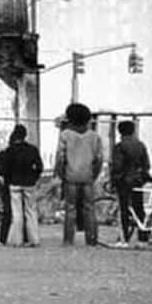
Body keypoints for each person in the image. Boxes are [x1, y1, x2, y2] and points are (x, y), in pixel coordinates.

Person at [54, 101, 103, 247]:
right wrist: (94, 175)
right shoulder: (94, 137)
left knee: (70, 208)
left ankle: (68, 240)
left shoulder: (66, 135)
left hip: (70, 176)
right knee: (89, 208)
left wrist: (62, 174)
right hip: (88, 176)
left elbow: (60, 158)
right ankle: (91, 239)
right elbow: (99, 159)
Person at [0, 124, 43, 247]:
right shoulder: (33, 150)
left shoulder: (9, 151)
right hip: (29, 183)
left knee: (17, 212)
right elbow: (39, 167)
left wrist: (9, 179)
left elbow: (5, 169)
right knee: (31, 211)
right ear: (25, 135)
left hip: (14, 183)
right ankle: (34, 239)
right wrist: (34, 177)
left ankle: (18, 241)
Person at [110, 120, 151, 247]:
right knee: (139, 210)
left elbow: (117, 166)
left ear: (119, 132)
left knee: (124, 210)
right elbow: (147, 165)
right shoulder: (141, 145)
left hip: (124, 182)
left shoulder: (120, 146)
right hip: (138, 181)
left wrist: (114, 180)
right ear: (133, 131)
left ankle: (124, 239)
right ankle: (142, 239)